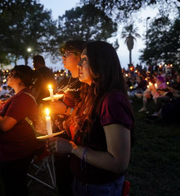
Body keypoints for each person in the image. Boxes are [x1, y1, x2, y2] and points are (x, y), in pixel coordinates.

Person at [48, 41, 135, 195]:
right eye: (80, 59)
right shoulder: (90, 95)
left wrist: (72, 148)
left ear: (100, 65)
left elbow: (118, 162)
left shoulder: (112, 102)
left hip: (100, 188)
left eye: (85, 59)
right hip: (82, 182)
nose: (79, 64)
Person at [0, 65, 40, 196]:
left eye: (11, 74)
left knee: (15, 188)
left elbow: (6, 125)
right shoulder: (18, 96)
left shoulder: (23, 98)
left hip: (16, 152)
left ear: (19, 78)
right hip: (10, 152)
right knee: (12, 186)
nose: (8, 76)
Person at [48, 40, 86, 196]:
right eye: (62, 54)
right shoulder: (64, 81)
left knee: (73, 181)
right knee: (62, 182)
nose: (63, 57)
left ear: (80, 56)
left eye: (67, 54)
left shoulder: (86, 83)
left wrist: (65, 109)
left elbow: (88, 114)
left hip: (76, 140)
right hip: (59, 135)